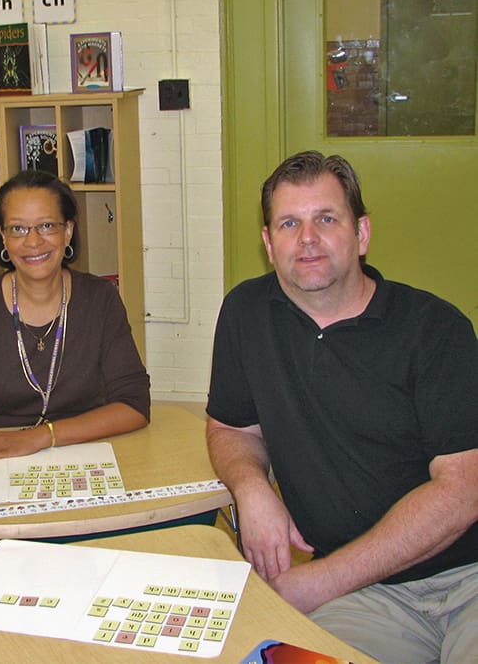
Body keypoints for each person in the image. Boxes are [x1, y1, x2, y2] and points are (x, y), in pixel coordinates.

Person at [205, 151, 478, 663]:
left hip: (468, 577)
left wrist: (317, 582)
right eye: (289, 223)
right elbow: (230, 427)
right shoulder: (246, 313)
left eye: (326, 219)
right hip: (364, 601)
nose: (307, 238)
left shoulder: (436, 329)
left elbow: (463, 490)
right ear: (268, 243)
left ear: (362, 234)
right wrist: (250, 487)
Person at [0, 170, 150, 497]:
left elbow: (134, 405)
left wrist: (39, 437)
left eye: (47, 226)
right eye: (18, 228)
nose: (33, 241)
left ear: (69, 232)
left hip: (81, 451)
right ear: (2, 237)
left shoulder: (100, 299)